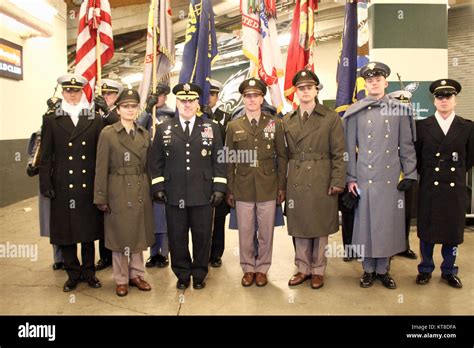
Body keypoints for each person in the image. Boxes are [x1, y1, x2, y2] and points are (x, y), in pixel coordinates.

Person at [343, 62, 417, 290]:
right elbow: (348, 149)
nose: (374, 83)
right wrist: (350, 178)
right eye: (369, 80)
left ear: (386, 83)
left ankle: (383, 270)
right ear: (365, 84)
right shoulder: (354, 112)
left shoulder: (399, 110)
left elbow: (406, 145)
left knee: (387, 225)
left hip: (390, 178)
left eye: (378, 80)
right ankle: (368, 269)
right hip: (364, 177)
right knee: (365, 224)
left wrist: (411, 173)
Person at [39, 73, 113, 292]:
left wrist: (102, 185)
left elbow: (101, 155)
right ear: (62, 92)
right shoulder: (51, 119)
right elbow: (46, 155)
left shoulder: (94, 118)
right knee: (66, 232)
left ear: (82, 92)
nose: (72, 94)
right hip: (63, 183)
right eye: (68, 91)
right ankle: (72, 273)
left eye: (76, 91)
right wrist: (46, 183)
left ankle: (89, 272)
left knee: (88, 232)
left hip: (88, 184)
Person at [150, 82, 227, 290]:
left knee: (202, 237)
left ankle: (200, 274)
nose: (187, 104)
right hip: (174, 194)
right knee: (177, 237)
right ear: (177, 102)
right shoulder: (165, 128)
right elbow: (155, 161)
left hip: (203, 194)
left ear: (197, 103)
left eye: (191, 100)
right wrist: (157, 186)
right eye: (183, 100)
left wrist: (219, 187)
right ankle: (182, 274)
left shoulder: (211, 127)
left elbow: (219, 159)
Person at [284, 70, 346, 289]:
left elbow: (340, 153)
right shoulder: (287, 120)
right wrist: (282, 186)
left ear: (316, 89)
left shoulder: (331, 118)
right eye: (301, 88)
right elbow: (282, 156)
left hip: (321, 175)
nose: (305, 91)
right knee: (299, 225)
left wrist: (337, 180)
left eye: (309, 87)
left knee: (319, 226)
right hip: (297, 178)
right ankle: (302, 268)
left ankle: (318, 269)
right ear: (296, 92)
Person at [225, 78, 288, 287]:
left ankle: (262, 268)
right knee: (245, 231)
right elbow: (229, 159)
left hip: (268, 185)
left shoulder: (275, 123)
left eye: (256, 95)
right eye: (248, 96)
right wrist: (230, 189)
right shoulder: (233, 126)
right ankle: (248, 268)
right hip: (242, 186)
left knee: (266, 232)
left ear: (262, 98)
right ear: (243, 99)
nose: (252, 99)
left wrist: (281, 187)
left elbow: (282, 156)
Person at [94, 88, 154, 296]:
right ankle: (120, 278)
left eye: (133, 106)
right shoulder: (108, 134)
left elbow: (149, 167)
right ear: (118, 110)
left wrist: (152, 189)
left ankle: (136, 274)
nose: (130, 110)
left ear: (138, 109)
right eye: (125, 106)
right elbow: (100, 167)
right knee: (120, 236)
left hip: (139, 187)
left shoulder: (144, 134)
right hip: (117, 189)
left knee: (138, 233)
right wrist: (100, 196)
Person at [415, 79, 474, 289]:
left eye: (448, 96)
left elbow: (469, 159)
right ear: (434, 100)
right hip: (430, 186)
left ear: (455, 99)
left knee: (452, 232)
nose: (444, 100)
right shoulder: (422, 126)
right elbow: (417, 158)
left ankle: (449, 270)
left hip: (454, 188)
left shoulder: (467, 127)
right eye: (440, 97)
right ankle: (425, 268)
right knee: (427, 231)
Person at [137, 83, 174, 269]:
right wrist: (146, 109)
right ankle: (152, 253)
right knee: (150, 215)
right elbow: (136, 127)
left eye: (160, 95)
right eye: (155, 95)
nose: (158, 98)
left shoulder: (171, 114)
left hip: (164, 167)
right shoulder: (146, 115)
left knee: (162, 214)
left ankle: (164, 252)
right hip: (145, 167)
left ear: (166, 96)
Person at [27, 97, 64, 270]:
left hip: (63, 179)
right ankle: (58, 258)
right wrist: (32, 165)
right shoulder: (40, 133)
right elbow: (34, 155)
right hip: (47, 180)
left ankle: (67, 258)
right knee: (52, 221)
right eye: (51, 108)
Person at [93, 78, 124, 271]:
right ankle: (104, 257)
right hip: (97, 169)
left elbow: (122, 128)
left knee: (115, 217)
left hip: (117, 172)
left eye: (110, 94)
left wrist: (106, 110)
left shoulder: (118, 114)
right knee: (99, 217)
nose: (106, 97)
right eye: (103, 93)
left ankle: (116, 256)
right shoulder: (92, 114)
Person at [388, 90, 417, 260]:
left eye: (406, 104)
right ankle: (389, 247)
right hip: (389, 173)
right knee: (390, 213)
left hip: (407, 173)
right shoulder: (386, 124)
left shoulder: (413, 123)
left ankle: (404, 245)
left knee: (406, 212)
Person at [206, 79, 231, 267]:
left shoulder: (226, 117)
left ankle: (216, 254)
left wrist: (212, 121)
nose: (209, 98)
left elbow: (226, 144)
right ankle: (202, 252)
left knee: (219, 218)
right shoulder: (194, 116)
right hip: (200, 177)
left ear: (217, 96)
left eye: (212, 94)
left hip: (219, 173)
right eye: (206, 94)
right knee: (201, 220)